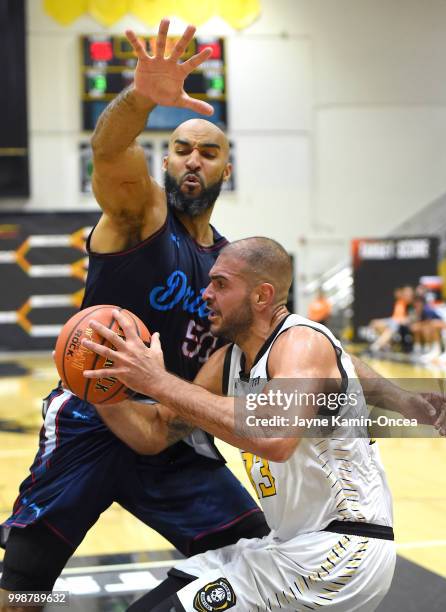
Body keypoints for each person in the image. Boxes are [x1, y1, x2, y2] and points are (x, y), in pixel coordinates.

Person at [0, 20, 270, 607]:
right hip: (90, 421)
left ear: (228, 168)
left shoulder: (231, 267)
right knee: (23, 583)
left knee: (255, 552)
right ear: (164, 162)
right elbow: (108, 149)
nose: (193, 160)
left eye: (209, 151)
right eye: (181, 149)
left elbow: (228, 369)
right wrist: (143, 97)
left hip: (171, 431)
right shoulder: (140, 213)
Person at [82, 237, 446, 612]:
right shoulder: (228, 362)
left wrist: (157, 382)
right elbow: (156, 433)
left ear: (262, 296)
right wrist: (95, 385)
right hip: (289, 546)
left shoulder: (301, 342)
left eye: (221, 284)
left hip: (342, 551)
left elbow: (275, 435)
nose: (206, 293)